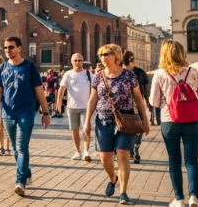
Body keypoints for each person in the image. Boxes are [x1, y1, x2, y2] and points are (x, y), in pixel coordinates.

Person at [84, 44, 150, 205]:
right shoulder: (98, 76)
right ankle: (113, 177)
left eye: (106, 54)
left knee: (123, 154)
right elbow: (93, 100)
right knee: (105, 157)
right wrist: (87, 122)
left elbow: (138, 100)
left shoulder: (129, 75)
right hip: (104, 119)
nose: (103, 58)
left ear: (116, 56)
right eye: (101, 55)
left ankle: (123, 192)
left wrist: (145, 120)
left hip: (126, 120)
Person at [0, 37, 51, 197]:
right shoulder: (2, 68)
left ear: (19, 48)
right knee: (16, 149)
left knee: (22, 147)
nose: (8, 50)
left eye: (11, 47)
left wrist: (46, 112)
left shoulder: (29, 67)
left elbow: (39, 91)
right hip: (7, 113)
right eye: (5, 48)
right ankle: (26, 172)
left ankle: (20, 182)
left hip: (26, 112)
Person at [150, 40, 198, 207]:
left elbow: (154, 101)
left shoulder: (159, 74)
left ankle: (179, 199)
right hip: (193, 120)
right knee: (192, 160)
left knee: (174, 159)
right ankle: (194, 197)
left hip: (169, 120)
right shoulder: (194, 72)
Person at [56, 53, 92, 162]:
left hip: (86, 106)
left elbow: (95, 89)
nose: (78, 62)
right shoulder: (68, 74)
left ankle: (86, 151)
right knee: (74, 130)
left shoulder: (88, 74)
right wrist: (58, 102)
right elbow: (61, 90)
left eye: (80, 60)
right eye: (75, 60)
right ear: (72, 62)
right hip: (72, 106)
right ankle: (78, 151)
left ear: (83, 61)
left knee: (86, 129)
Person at [123, 51, 150, 163]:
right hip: (123, 105)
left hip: (137, 104)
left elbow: (146, 87)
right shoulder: (120, 72)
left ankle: (135, 150)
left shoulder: (140, 72)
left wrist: (148, 101)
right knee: (126, 128)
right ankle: (129, 150)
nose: (129, 63)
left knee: (139, 128)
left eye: (130, 60)